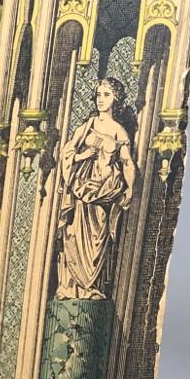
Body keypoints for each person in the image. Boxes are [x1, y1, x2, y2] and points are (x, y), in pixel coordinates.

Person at [54, 77, 137, 300]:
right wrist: (83, 156)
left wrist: (130, 188)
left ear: (116, 99)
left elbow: (127, 163)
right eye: (98, 95)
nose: (100, 100)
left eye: (106, 95)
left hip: (103, 193)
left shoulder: (119, 131)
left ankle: (90, 287)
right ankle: (69, 287)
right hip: (81, 190)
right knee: (72, 235)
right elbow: (67, 153)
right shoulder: (87, 126)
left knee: (97, 238)